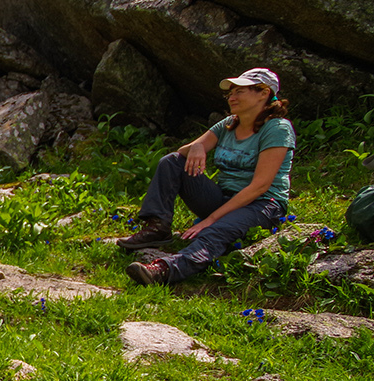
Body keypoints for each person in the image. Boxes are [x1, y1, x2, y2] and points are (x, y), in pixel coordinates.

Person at [115, 67, 294, 285]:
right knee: (172, 161)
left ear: (264, 93)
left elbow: (260, 186)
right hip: (224, 199)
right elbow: (182, 153)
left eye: (240, 91)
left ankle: (164, 270)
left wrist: (211, 219)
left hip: (262, 205)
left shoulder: (277, 128)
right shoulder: (228, 123)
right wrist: (197, 147)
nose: (232, 97)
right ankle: (157, 227)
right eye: (230, 93)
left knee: (216, 230)